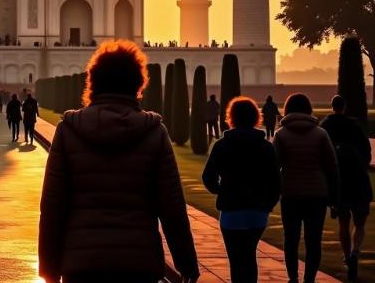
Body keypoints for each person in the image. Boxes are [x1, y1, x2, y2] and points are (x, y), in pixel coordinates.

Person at [39, 40, 199, 283]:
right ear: (138, 83)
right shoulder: (155, 133)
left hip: (82, 264)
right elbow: (172, 207)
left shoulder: (68, 131)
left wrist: (49, 269)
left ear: (92, 82)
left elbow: (53, 206)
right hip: (138, 263)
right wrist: (187, 264)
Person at [202, 96, 280, 282]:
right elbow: (276, 181)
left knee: (236, 261)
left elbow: (208, 177)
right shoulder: (266, 147)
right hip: (257, 211)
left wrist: (221, 191)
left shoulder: (222, 145)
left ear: (232, 117)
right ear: (255, 117)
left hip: (231, 210)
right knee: (250, 257)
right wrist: (268, 203)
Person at [274, 93, 339, 283]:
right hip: (317, 194)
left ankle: (293, 277)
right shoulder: (320, 134)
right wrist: (334, 199)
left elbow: (274, 166)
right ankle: (309, 279)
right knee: (313, 241)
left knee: (291, 239)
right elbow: (332, 167)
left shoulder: (281, 134)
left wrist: (272, 194)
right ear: (308, 109)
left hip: (291, 193)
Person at [320, 95, 372, 281]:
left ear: (331, 106)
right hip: (359, 179)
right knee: (359, 223)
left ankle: (347, 253)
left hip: (340, 182)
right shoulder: (354, 126)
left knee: (343, 221)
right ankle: (355, 252)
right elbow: (367, 151)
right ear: (345, 106)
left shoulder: (326, 126)